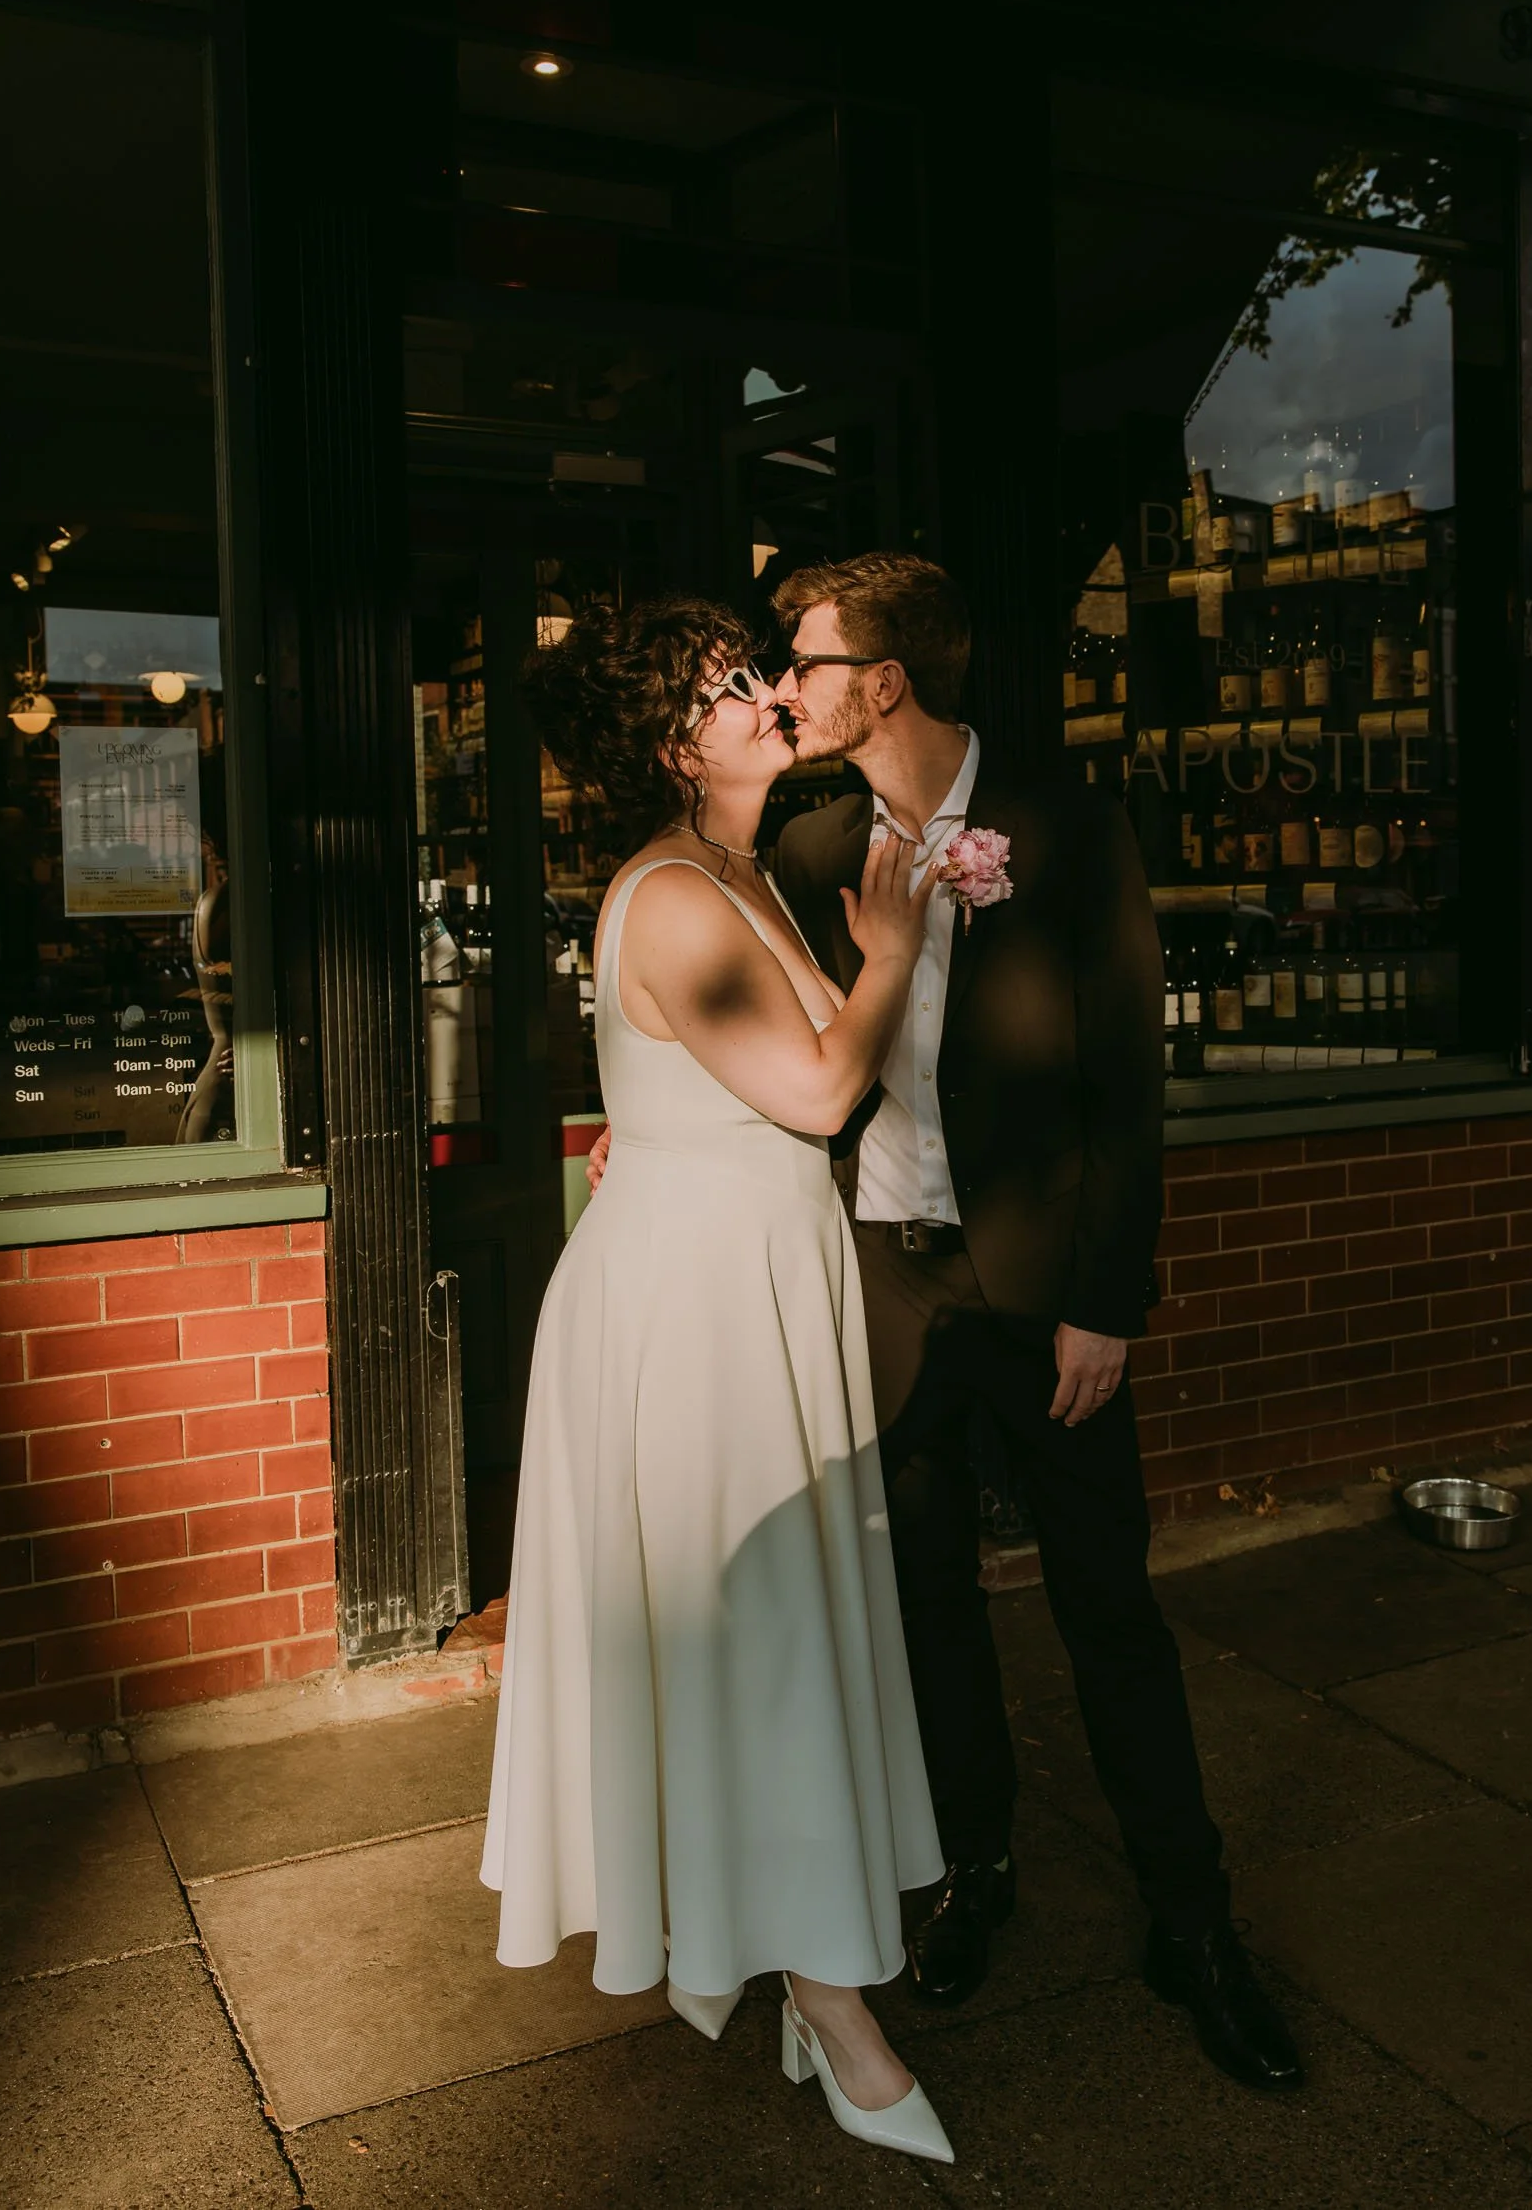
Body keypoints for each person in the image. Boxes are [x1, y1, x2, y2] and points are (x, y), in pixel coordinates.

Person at [767, 551, 1302, 2093]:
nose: (787, 685)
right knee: (924, 1600)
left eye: (804, 661)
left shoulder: (1064, 827)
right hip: (884, 1275)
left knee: (1105, 1607)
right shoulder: (808, 849)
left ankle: (1191, 1925)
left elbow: (1126, 1091)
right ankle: (972, 1870)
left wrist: (1102, 1303)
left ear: (883, 681)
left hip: (1039, 1291)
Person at [482, 595, 954, 2166]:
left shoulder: (741, 867)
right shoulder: (679, 897)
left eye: (752, 670)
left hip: (746, 1280)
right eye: (726, 687)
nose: (761, 694)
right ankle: (830, 2001)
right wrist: (890, 949)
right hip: (696, 1314)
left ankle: (797, 1959)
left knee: (780, 1632)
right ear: (669, 747)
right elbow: (824, 1086)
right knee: (758, 1641)